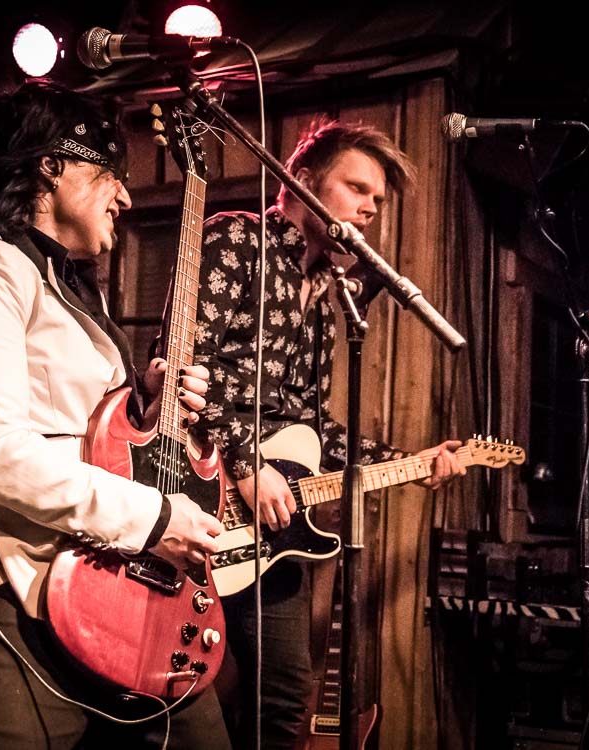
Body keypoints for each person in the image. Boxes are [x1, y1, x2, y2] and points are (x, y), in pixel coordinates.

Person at [0, 80, 230, 749]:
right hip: (15, 596)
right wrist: (156, 519)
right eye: (112, 174)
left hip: (118, 590)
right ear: (51, 167)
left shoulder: (76, 288)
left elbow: (81, 430)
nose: (125, 196)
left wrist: (144, 403)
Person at [191, 119, 467, 749]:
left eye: (378, 200)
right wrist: (245, 465)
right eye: (356, 187)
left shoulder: (327, 294)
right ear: (302, 178)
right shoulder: (237, 240)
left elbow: (313, 428)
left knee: (286, 696)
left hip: (268, 531)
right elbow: (187, 362)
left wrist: (412, 461)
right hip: (196, 492)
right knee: (183, 686)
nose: (369, 208)